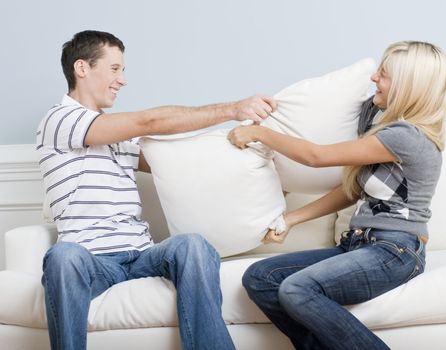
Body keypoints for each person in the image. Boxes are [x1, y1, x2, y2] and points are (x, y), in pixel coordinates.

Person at [36, 30, 276, 350]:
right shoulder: (60, 119)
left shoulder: (118, 134)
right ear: (82, 68)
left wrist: (262, 158)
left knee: (192, 245)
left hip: (141, 254)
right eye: (115, 69)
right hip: (91, 260)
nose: (123, 80)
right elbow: (150, 122)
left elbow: (179, 165)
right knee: (62, 256)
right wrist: (233, 109)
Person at [228, 41, 446, 349]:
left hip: (395, 251)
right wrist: (292, 218)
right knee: (260, 278)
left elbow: (316, 157)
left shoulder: (405, 137)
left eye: (384, 74)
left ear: (407, 86)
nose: (375, 78)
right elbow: (353, 190)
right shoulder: (384, 133)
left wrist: (259, 132)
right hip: (358, 245)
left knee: (296, 288)